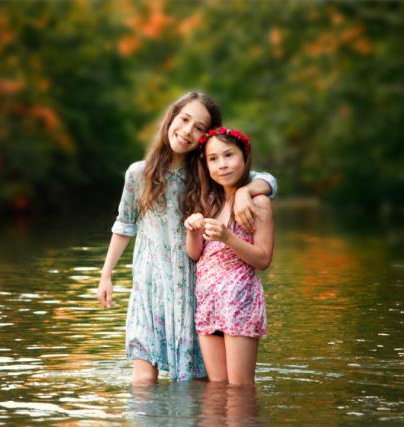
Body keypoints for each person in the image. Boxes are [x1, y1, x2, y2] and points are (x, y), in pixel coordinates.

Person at [97, 92, 277, 383]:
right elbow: (123, 225)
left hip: (193, 285)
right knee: (143, 374)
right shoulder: (138, 174)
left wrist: (246, 191)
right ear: (171, 118)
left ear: (205, 137)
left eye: (199, 127)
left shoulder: (206, 172)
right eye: (184, 119)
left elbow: (266, 179)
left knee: (200, 378)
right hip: (150, 285)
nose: (187, 131)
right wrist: (106, 275)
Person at [184, 127, 274, 385]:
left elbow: (263, 259)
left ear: (244, 158)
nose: (222, 165)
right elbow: (195, 254)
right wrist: (192, 230)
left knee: (239, 389)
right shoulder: (208, 202)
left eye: (228, 155)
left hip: (239, 301)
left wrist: (228, 238)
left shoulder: (257, 202)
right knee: (218, 387)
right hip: (208, 301)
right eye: (213, 158)